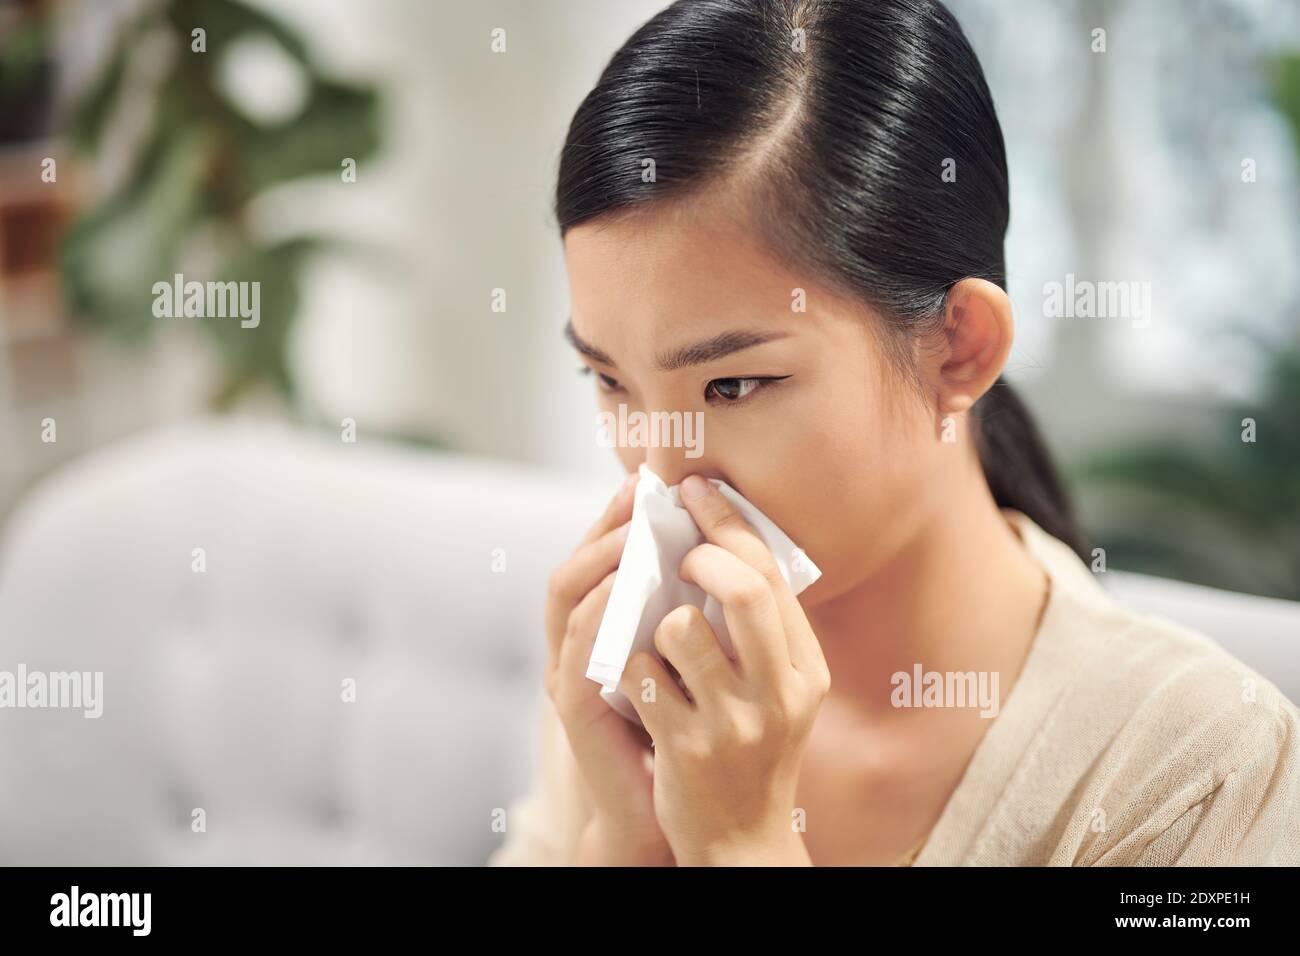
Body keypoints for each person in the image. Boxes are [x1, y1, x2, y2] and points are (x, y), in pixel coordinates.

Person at [488, 0, 1300, 866]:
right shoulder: (650, 675)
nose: (661, 473)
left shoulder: (1202, 774)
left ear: (959, 349)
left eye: (731, 384)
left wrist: (742, 845)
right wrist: (627, 838)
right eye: (609, 380)